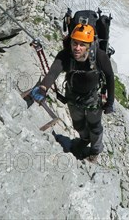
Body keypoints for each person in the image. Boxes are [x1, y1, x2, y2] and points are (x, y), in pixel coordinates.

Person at [30, 23, 115, 162]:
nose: (77, 48)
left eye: (82, 45)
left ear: (89, 46)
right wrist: (43, 88)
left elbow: (110, 77)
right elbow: (53, 72)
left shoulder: (100, 56)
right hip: (73, 96)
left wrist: (110, 102)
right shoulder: (66, 55)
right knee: (78, 124)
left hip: (92, 97)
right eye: (75, 43)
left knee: (95, 126)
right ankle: (84, 139)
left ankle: (95, 150)